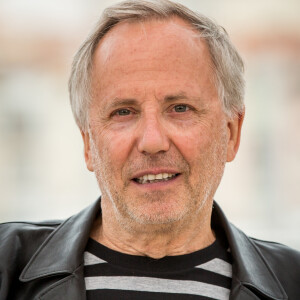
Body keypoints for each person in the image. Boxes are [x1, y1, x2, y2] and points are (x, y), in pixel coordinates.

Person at [0, 0, 299, 299]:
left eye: (180, 108)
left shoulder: (292, 282)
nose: (152, 142)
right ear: (88, 142)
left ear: (231, 133)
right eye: (123, 112)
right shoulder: (6, 267)